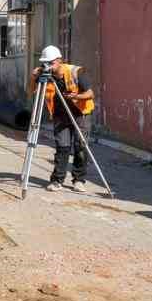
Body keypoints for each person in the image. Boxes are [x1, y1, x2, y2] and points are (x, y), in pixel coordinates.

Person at [37, 44, 95, 191]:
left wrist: (76, 96)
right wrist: (34, 77)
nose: (48, 66)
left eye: (50, 62)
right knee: (62, 147)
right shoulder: (46, 76)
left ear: (59, 60)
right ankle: (57, 180)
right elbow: (31, 90)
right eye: (45, 63)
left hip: (80, 114)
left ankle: (79, 180)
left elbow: (90, 94)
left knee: (80, 147)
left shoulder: (75, 72)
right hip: (60, 115)